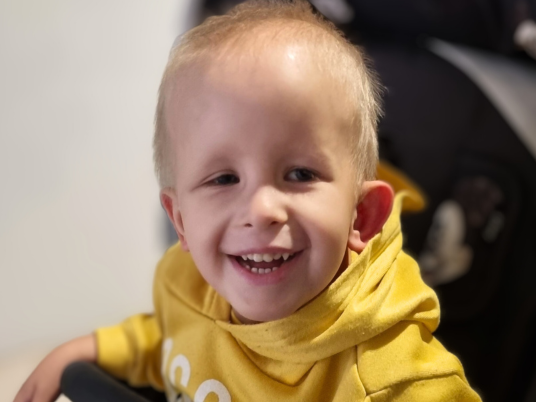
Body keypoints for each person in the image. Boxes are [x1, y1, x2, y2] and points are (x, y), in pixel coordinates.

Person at [14, 1, 482, 401]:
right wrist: (87, 350)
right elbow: (170, 336)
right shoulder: (187, 284)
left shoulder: (394, 381)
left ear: (362, 215)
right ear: (181, 223)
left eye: (299, 174)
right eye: (224, 179)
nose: (261, 211)